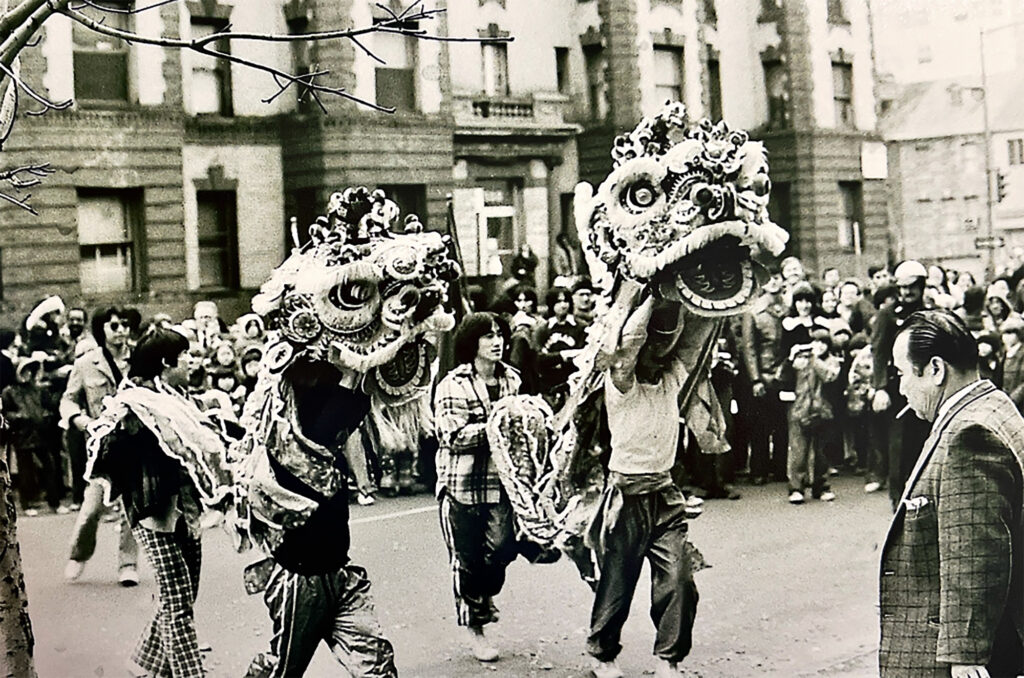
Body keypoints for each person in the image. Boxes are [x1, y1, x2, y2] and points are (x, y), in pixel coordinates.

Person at [879, 309, 1024, 678]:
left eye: (901, 374)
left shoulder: (968, 433)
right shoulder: (993, 404)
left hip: (949, 652)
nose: (900, 388)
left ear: (936, 370)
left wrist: (966, 655)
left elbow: (974, 550)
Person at [86, 327, 229, 678]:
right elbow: (116, 452)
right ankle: (189, 674)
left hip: (185, 509)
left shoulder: (175, 398)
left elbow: (198, 438)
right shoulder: (134, 404)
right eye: (185, 357)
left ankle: (145, 663)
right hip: (152, 511)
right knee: (178, 598)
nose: (191, 362)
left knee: (182, 593)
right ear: (166, 363)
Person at [586, 297, 701, 678]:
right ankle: (603, 653)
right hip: (626, 497)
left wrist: (685, 296)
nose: (659, 354)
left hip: (666, 497)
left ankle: (668, 658)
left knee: (680, 578)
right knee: (617, 583)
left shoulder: (672, 381)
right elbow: (628, 344)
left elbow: (695, 338)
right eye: (652, 347)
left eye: (664, 347)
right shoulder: (622, 385)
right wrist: (650, 286)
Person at [434, 312, 521, 663]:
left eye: (500, 334)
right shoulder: (451, 385)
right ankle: (476, 629)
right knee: (466, 562)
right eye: (488, 336)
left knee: (502, 549)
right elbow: (452, 436)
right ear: (472, 343)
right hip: (462, 486)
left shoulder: (512, 379)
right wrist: (497, 425)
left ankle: (484, 597)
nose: (497, 342)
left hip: (501, 485)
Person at [60, 307, 140, 585]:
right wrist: (79, 419)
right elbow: (68, 400)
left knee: (131, 509)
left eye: (125, 325)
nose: (121, 331)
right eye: (114, 325)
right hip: (101, 447)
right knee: (91, 508)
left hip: (133, 442)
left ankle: (128, 564)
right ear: (101, 330)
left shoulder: (139, 359)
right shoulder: (86, 363)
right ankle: (78, 554)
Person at [871, 260, 932, 511]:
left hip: (928, 385)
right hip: (899, 389)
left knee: (925, 440)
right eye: (903, 288)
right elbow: (878, 352)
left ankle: (924, 495)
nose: (907, 293)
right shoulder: (888, 315)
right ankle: (898, 500)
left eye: (912, 287)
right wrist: (880, 387)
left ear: (922, 286)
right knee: (898, 445)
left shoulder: (930, 313)